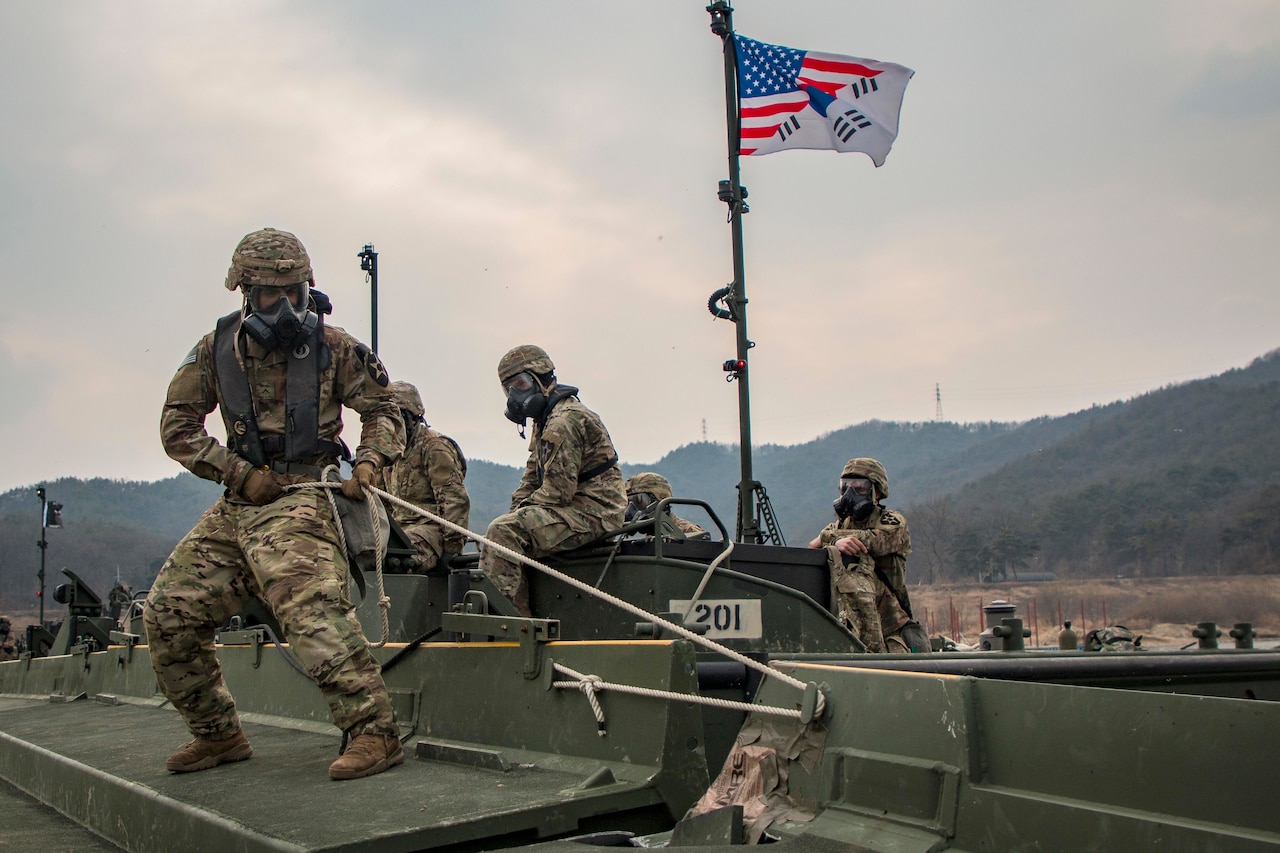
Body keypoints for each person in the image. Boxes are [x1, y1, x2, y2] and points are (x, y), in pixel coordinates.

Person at [144, 227, 406, 780]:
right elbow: (177, 426)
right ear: (246, 294)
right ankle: (217, 735)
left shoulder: (336, 349)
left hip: (305, 498)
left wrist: (368, 462)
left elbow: (385, 409)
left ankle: (374, 733)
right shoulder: (217, 351)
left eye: (294, 292)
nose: (284, 306)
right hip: (240, 503)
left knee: (306, 605)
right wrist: (238, 473)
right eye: (270, 295)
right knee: (169, 612)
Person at [479, 345, 626, 616]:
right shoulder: (545, 419)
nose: (515, 396)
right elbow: (530, 478)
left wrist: (515, 519)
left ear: (542, 378)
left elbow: (557, 493)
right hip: (576, 508)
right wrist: (517, 511)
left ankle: (506, 623)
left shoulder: (564, 421)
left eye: (521, 384)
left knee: (505, 532)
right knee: (502, 529)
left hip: (595, 513)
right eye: (509, 388)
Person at [808, 457, 918, 653]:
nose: (850, 494)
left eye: (859, 488)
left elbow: (873, 541)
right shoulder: (839, 525)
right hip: (850, 621)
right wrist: (834, 542)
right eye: (846, 487)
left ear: (876, 491)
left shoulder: (892, 522)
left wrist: (828, 538)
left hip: (889, 623)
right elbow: (812, 551)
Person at [380, 381, 471, 571]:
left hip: (432, 532)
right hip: (398, 531)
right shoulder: (389, 453)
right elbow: (381, 503)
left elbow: (453, 500)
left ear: (413, 418)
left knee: (396, 558)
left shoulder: (434, 447)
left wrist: (451, 551)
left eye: (397, 417)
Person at [624, 472, 708, 539]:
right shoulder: (649, 539)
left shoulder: (689, 532)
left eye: (638, 500)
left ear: (659, 499)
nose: (632, 508)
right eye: (629, 502)